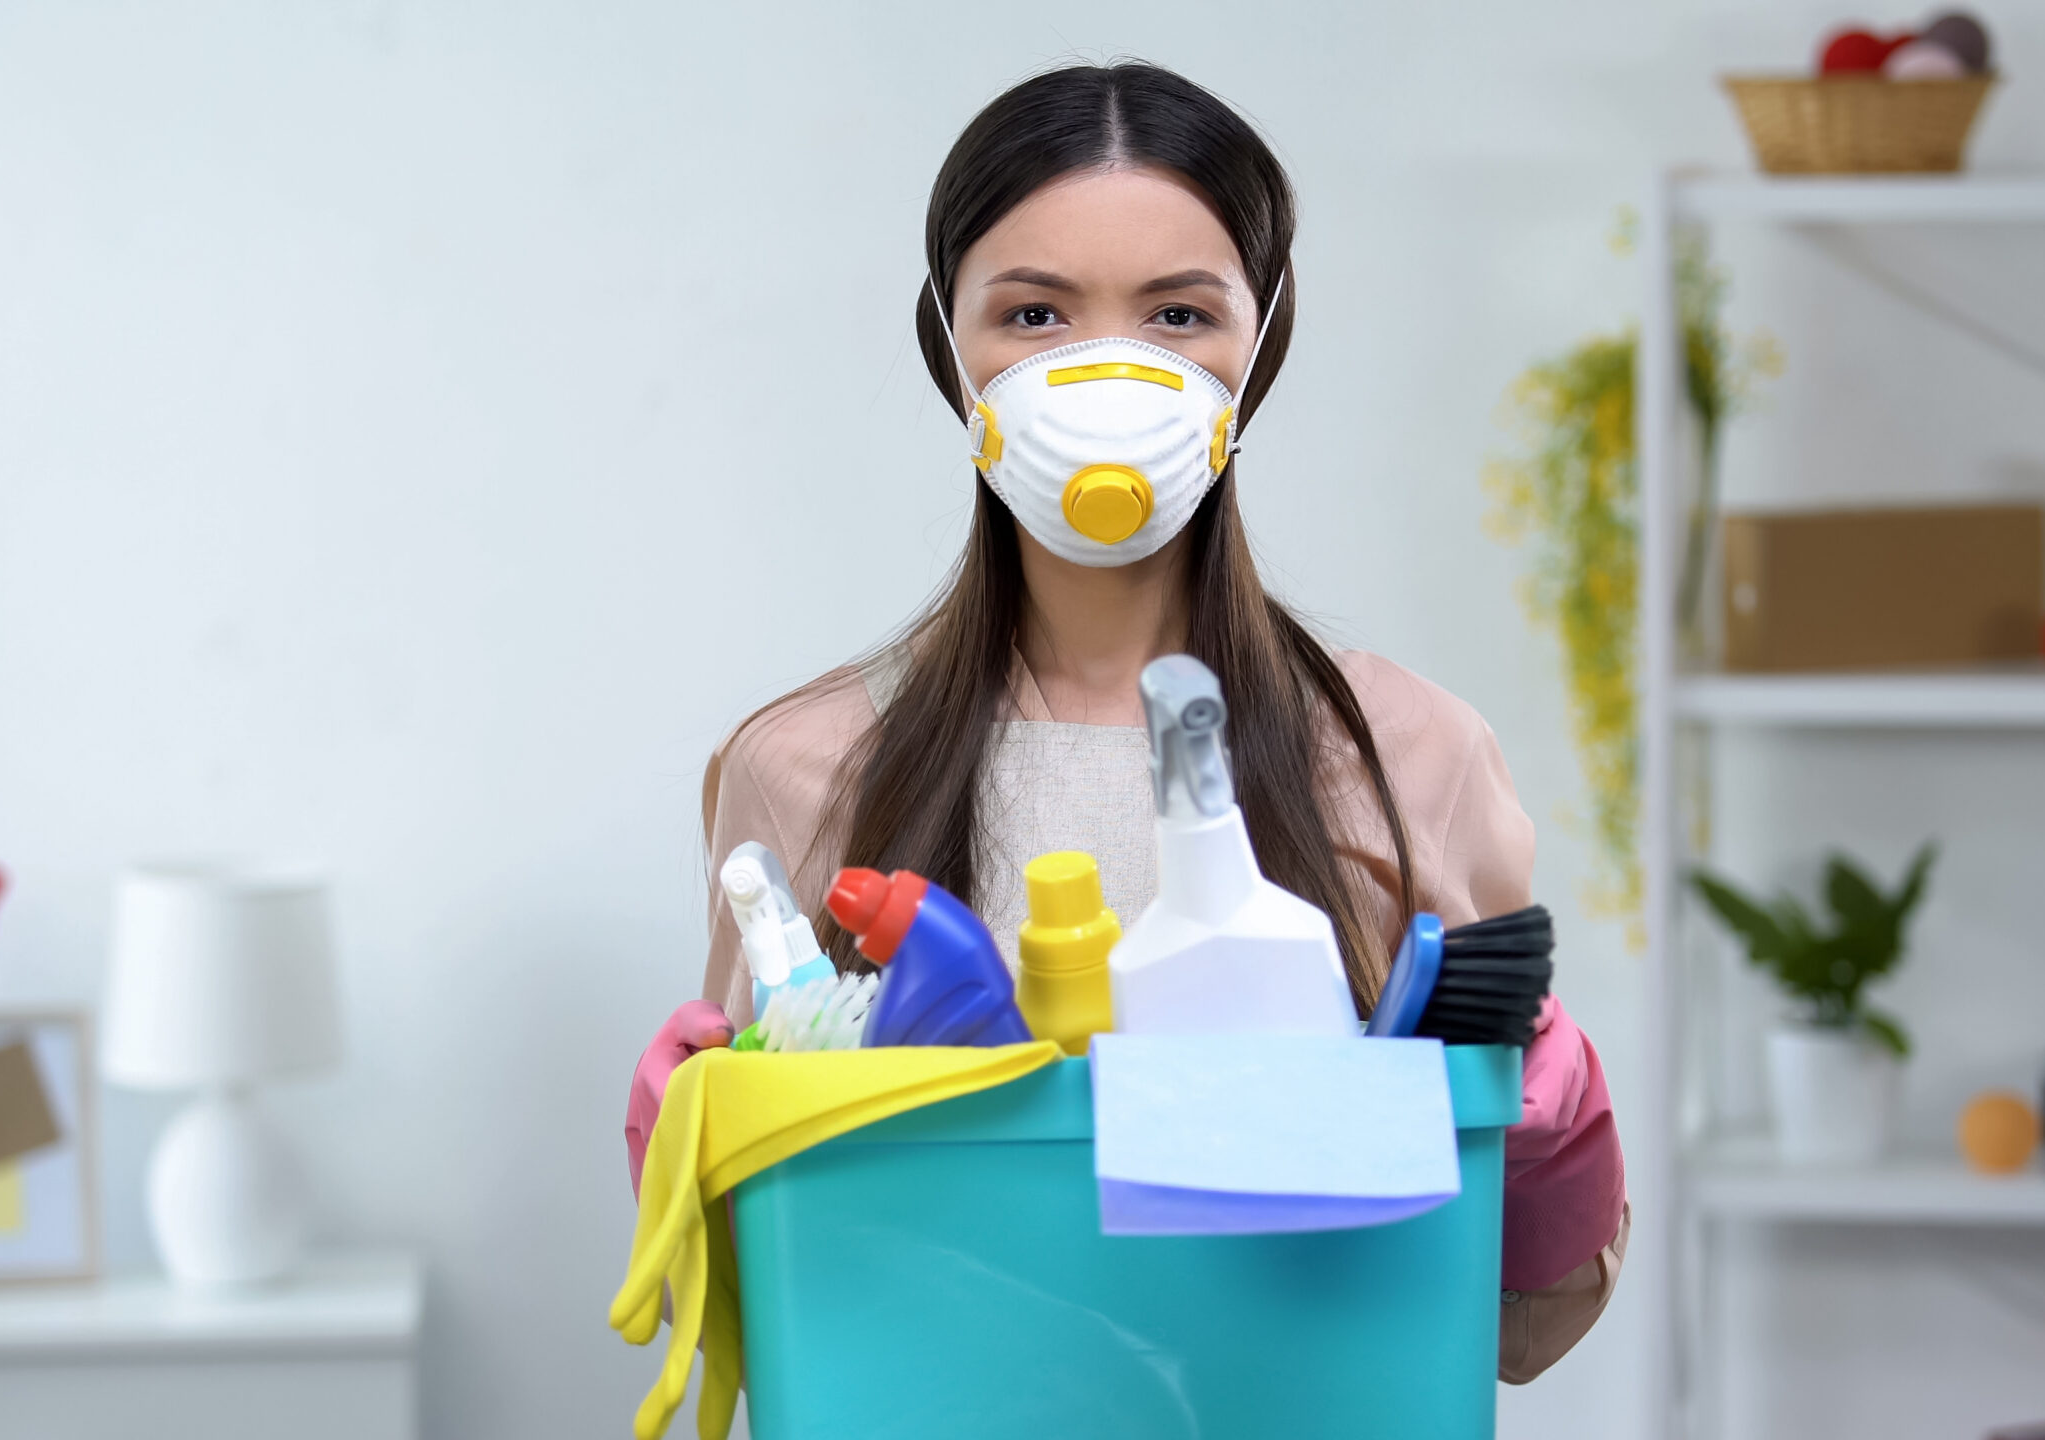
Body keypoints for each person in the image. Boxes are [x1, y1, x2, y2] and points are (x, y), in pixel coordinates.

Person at [626, 60, 1625, 1383]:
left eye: (1179, 315)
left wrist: (1540, 1130)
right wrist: (694, 1151)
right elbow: (772, 1309)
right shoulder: (807, 767)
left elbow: (1517, 1324)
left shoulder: (1412, 753)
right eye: (1035, 312)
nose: (1106, 374)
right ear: (952, 346)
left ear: (1258, 347)